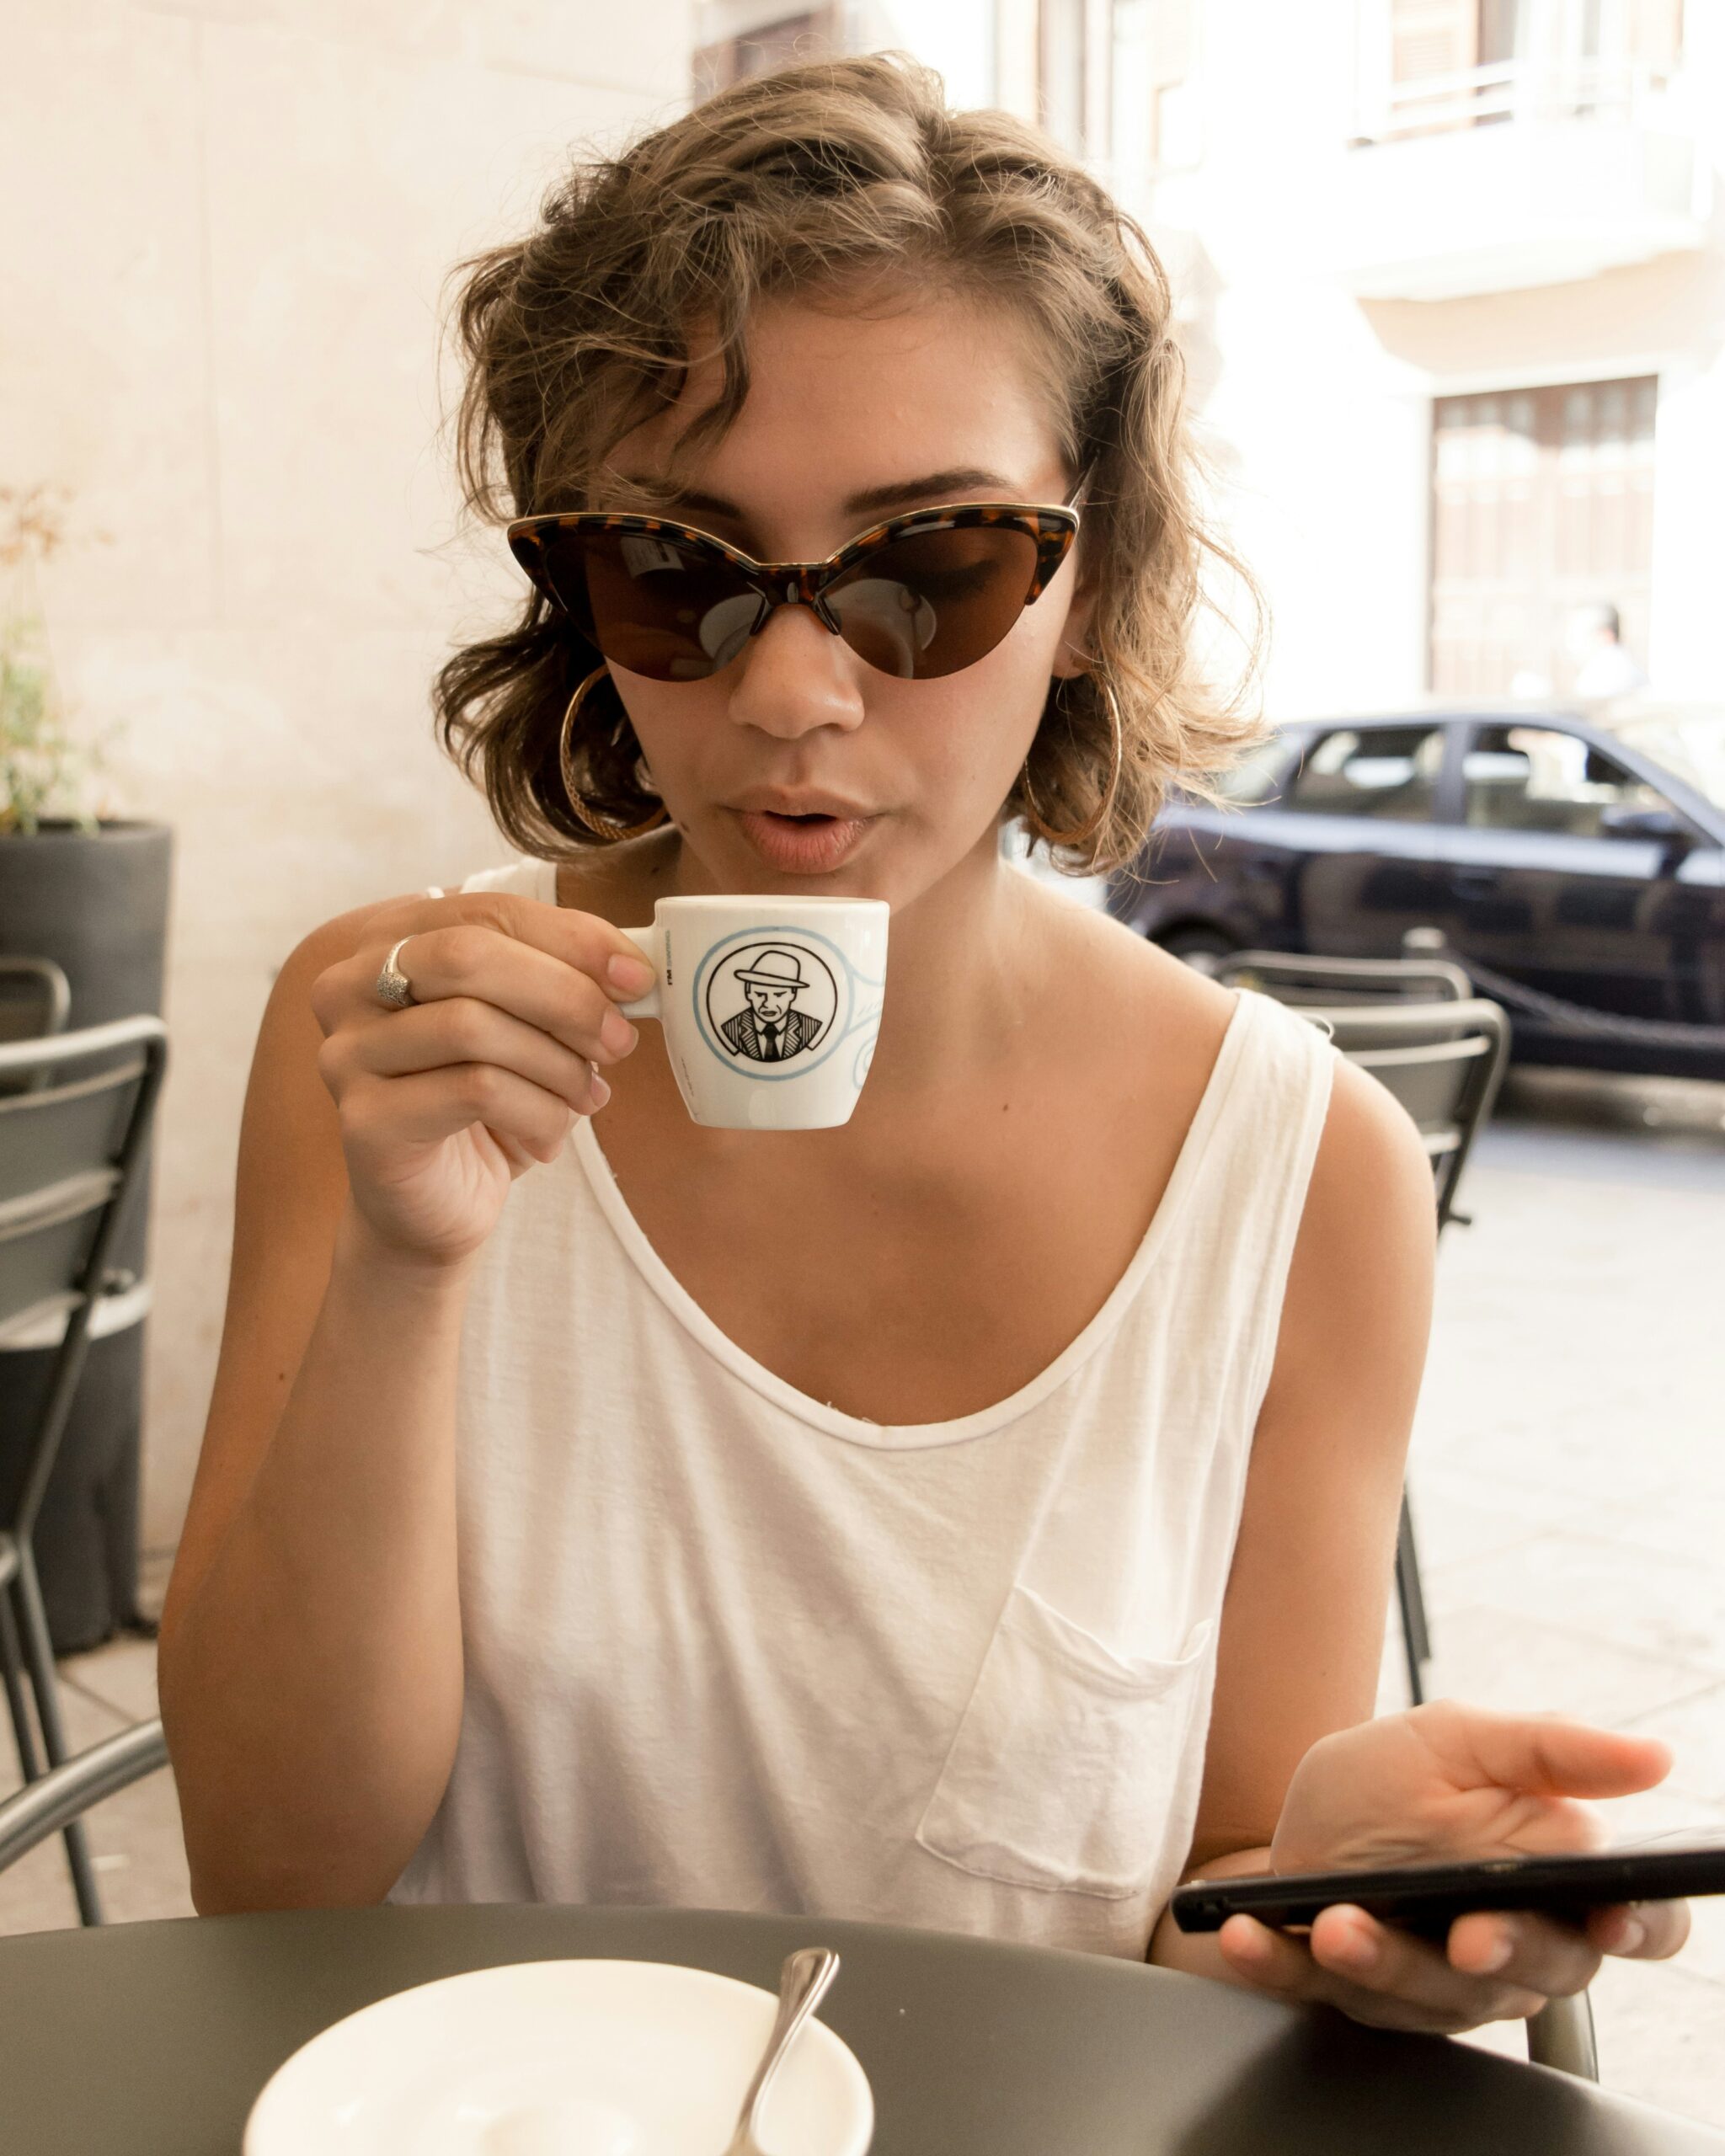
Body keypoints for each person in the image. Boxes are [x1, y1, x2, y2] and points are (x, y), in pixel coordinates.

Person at [158, 51, 1687, 2033]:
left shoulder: (1296, 1175)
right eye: (678, 568)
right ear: (574, 586)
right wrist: (403, 1264)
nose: (792, 689)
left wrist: (1324, 1896)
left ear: (1090, 577)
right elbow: (271, 1874)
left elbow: (1205, 1930)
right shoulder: (385, 1038)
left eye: (928, 564)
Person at [719, 948, 825, 1060]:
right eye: (760, 994)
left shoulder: (810, 1028)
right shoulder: (731, 1029)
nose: (768, 1004)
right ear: (748, 993)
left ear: (793, 994)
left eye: (778, 995)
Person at [1569, 600, 1650, 700]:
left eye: (1582, 635)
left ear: (1606, 634)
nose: (1574, 645)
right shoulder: (1632, 668)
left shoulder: (1601, 673)